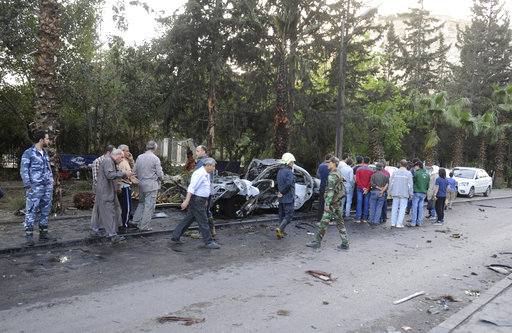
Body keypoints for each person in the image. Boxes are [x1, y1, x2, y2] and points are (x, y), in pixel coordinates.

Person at [170, 158, 220, 249]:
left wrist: (205, 200)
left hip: (200, 200)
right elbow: (192, 188)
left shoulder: (206, 174)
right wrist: (186, 201)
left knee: (189, 219)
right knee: (203, 220)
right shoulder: (199, 174)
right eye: (213, 166)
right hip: (197, 200)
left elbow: (203, 188)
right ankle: (208, 241)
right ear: (208, 165)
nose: (214, 168)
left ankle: (175, 236)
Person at [20, 131, 56, 246]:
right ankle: (29, 236)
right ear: (41, 140)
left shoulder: (45, 153)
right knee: (31, 210)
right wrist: (28, 186)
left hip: (47, 187)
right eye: (46, 138)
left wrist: (51, 181)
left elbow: (48, 168)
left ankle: (43, 234)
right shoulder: (28, 153)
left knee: (45, 210)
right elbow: (23, 170)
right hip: (34, 188)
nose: (48, 140)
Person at [306, 156, 349, 249]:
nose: (326, 164)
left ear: (334, 164)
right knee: (340, 222)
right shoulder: (338, 173)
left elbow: (330, 190)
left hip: (332, 203)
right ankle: (345, 242)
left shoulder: (332, 175)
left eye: (328, 162)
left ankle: (317, 242)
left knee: (323, 222)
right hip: (337, 202)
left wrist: (327, 204)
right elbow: (342, 181)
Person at [96, 149, 132, 243]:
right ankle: (112, 235)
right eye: (122, 157)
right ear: (117, 155)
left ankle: (98, 229)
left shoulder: (111, 161)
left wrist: (127, 175)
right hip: (105, 191)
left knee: (103, 211)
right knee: (109, 212)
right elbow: (110, 175)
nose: (122, 159)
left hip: (105, 190)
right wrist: (124, 174)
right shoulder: (108, 161)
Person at [132, 141, 164, 231]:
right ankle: (144, 227)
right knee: (149, 206)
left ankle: (135, 221)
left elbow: (134, 171)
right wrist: (161, 178)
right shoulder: (155, 159)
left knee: (141, 203)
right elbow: (160, 174)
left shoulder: (139, 157)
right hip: (152, 186)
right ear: (155, 148)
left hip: (141, 185)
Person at [90, 145, 115, 237]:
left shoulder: (111, 161)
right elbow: (96, 178)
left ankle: (102, 226)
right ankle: (94, 227)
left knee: (104, 208)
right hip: (99, 188)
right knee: (97, 208)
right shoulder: (98, 161)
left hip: (107, 188)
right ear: (108, 152)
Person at [194, 145, 215, 236]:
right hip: (208, 190)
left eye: (198, 151)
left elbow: (204, 180)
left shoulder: (203, 162)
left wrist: (204, 197)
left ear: (204, 152)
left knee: (202, 212)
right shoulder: (208, 161)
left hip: (203, 192)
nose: (196, 153)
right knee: (206, 211)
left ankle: (204, 233)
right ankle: (211, 231)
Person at [275, 152, 296, 238]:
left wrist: (280, 192)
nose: (293, 163)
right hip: (288, 197)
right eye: (292, 162)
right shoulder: (289, 172)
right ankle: (280, 229)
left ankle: (281, 232)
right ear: (288, 162)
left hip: (281, 198)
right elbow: (288, 184)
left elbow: (278, 183)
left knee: (282, 214)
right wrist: (283, 192)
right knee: (289, 215)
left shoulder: (280, 171)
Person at [117, 144, 137, 230]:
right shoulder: (120, 161)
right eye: (127, 151)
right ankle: (124, 224)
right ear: (122, 151)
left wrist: (131, 160)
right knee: (126, 207)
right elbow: (119, 175)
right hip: (123, 186)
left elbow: (133, 169)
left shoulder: (125, 159)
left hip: (126, 184)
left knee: (126, 206)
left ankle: (125, 222)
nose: (128, 152)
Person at [389, 159, 413, 228]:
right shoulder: (408, 173)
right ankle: (399, 223)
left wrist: (390, 191)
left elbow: (391, 183)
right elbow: (410, 185)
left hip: (395, 192)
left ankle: (393, 223)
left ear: (400, 165)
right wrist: (411, 194)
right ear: (407, 166)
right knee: (402, 209)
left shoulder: (395, 172)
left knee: (394, 208)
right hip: (404, 193)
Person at [408, 161, 430, 227]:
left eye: (415, 166)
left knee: (414, 207)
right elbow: (427, 185)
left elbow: (412, 182)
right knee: (421, 208)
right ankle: (419, 222)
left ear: (418, 166)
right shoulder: (427, 175)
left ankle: (413, 222)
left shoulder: (416, 173)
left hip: (416, 192)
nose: (415, 167)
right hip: (423, 193)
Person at [355, 156, 373, 223]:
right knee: (366, 203)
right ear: (369, 162)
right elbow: (370, 181)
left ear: (363, 161)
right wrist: (367, 188)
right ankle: (365, 217)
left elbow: (357, 180)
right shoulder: (371, 170)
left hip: (360, 188)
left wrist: (362, 187)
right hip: (367, 189)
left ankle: (358, 217)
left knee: (359, 203)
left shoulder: (358, 169)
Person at [316, 153, 333, 224]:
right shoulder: (331, 167)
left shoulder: (320, 166)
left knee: (321, 203)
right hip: (330, 187)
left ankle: (319, 220)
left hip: (322, 186)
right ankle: (329, 220)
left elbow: (318, 175)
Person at [338, 155, 354, 219]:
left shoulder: (342, 169)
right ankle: (347, 214)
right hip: (349, 186)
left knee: (342, 201)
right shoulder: (350, 170)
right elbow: (351, 179)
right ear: (351, 164)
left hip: (342, 185)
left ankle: (341, 214)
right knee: (349, 201)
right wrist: (352, 185)